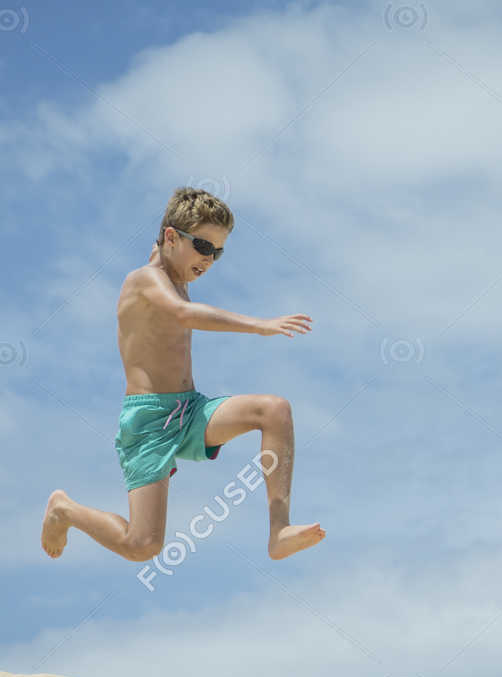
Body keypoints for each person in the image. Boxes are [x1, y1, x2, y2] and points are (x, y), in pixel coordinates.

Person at [41, 187, 326, 563]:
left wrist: (173, 245)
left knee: (274, 410)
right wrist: (259, 325)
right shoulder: (144, 279)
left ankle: (279, 530)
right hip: (148, 423)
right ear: (172, 237)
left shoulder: (173, 269)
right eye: (204, 247)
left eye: (218, 252)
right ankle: (64, 510)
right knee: (143, 545)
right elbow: (183, 314)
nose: (209, 260)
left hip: (189, 411)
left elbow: (167, 255)